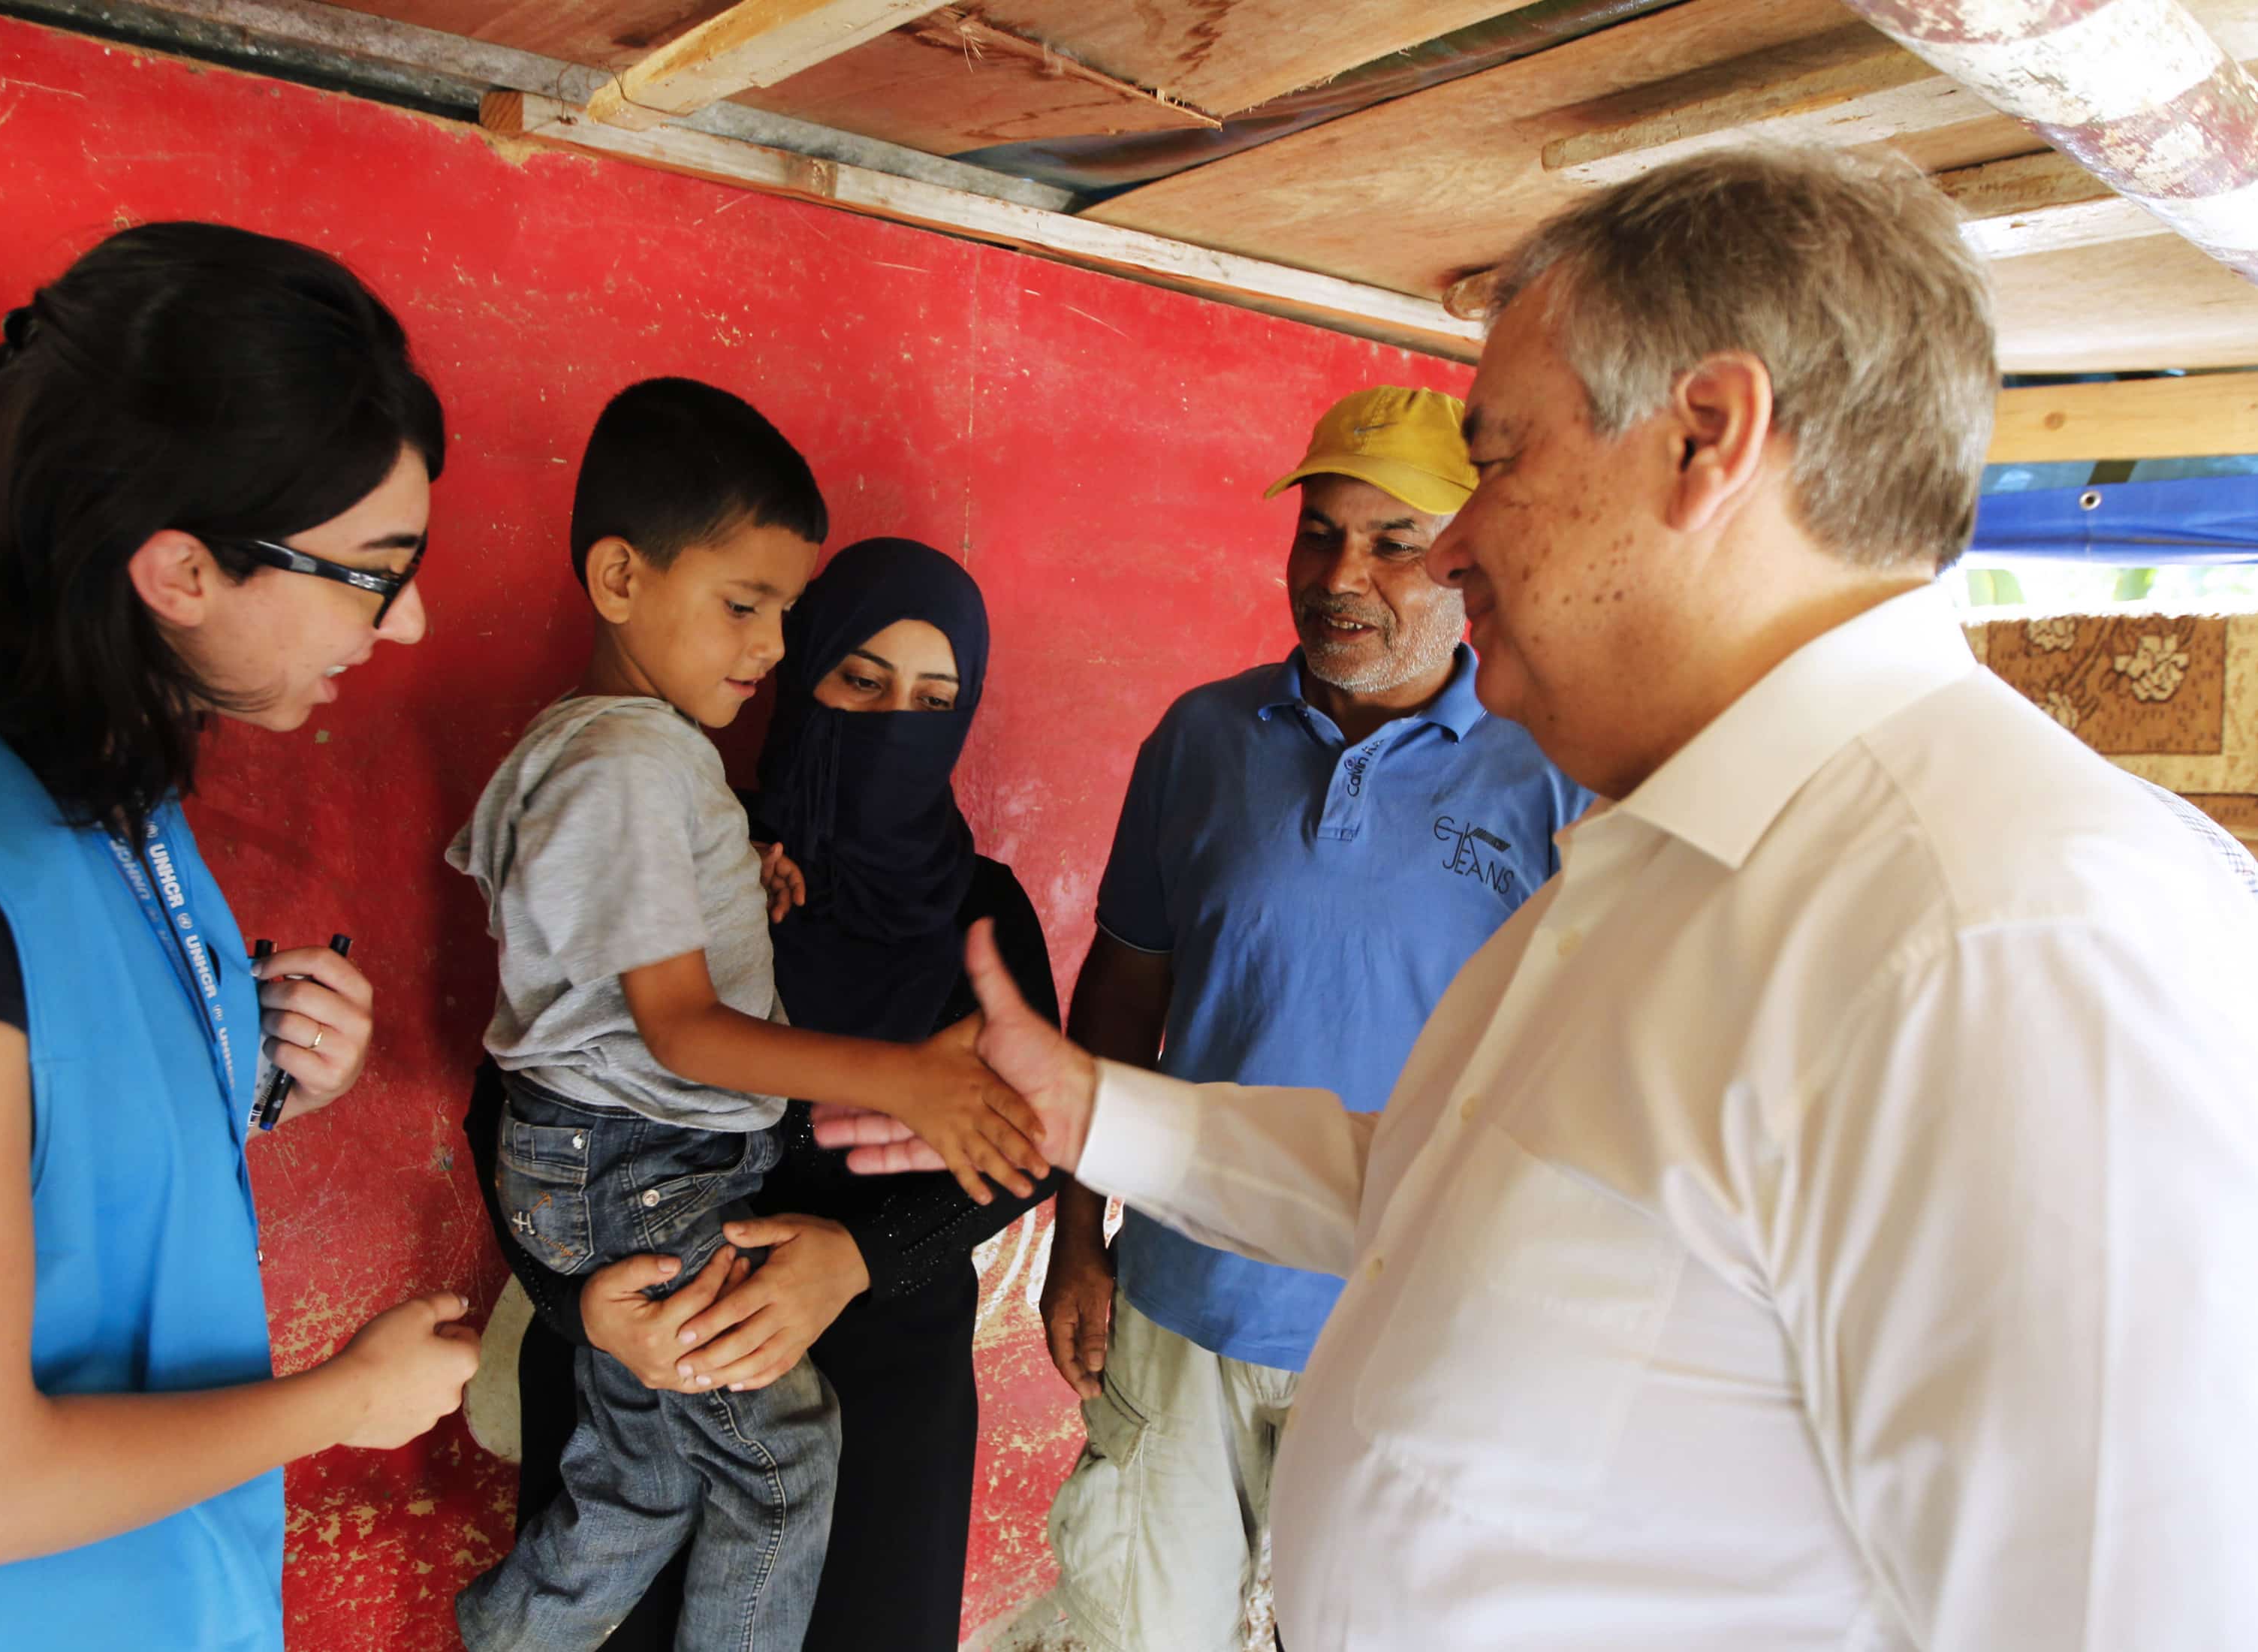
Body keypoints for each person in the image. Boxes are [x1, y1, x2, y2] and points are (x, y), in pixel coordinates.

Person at [828, 147, 2258, 1650]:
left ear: (1706, 436)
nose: (1452, 542)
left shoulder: (2002, 936)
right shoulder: (1674, 843)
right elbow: (1424, 1189)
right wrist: (1092, 1113)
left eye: (1497, 456)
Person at [0, 222, 484, 1652]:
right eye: (368, 568)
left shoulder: (93, 782)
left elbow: (47, 1158)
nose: (404, 623)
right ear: (178, 574)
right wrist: (348, 1404)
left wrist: (265, 1075)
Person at [448, 384, 1048, 1650]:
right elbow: (527, 1097)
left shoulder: (976, 906)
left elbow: (1021, 1144)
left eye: (933, 700)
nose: (894, 721)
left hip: (881, 1378)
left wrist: (856, 1263)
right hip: (651, 1329)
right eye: (859, 674)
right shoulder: (691, 821)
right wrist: (578, 1307)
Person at [1036, 387, 1588, 1652]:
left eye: (1394, 541)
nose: (1343, 576)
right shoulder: (1202, 738)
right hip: (1184, 1303)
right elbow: (1125, 995)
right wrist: (1080, 1233)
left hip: (1418, 1324)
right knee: (1136, 1631)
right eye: (1320, 535)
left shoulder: (1547, 763)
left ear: (1468, 558)